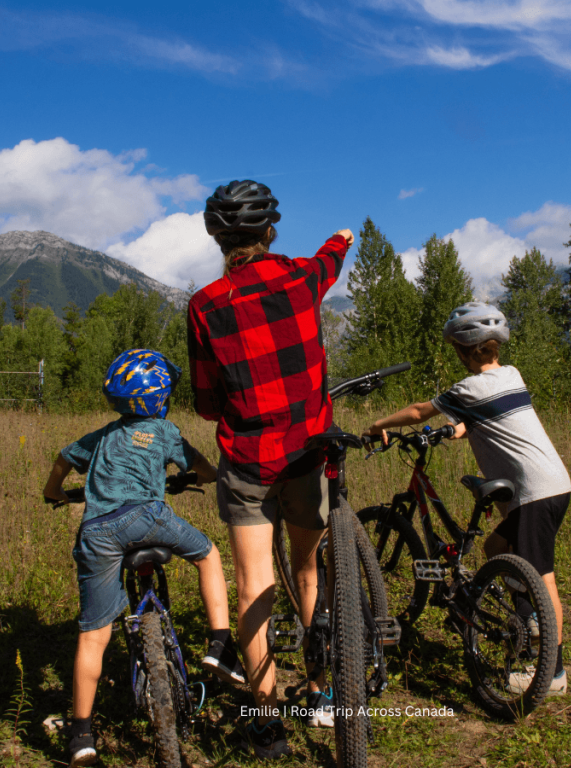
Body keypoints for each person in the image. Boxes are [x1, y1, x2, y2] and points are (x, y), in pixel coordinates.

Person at [187, 179, 353, 759]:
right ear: (269, 232)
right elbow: (332, 256)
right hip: (307, 453)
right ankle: (323, 690)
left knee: (255, 586)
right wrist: (341, 237)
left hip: (248, 461)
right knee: (308, 569)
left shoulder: (206, 305)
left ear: (218, 238)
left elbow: (207, 402)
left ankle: (265, 722)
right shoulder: (306, 277)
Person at [43, 348, 244, 767]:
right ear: (160, 397)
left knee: (93, 635)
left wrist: (55, 492)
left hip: (97, 531)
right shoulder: (163, 431)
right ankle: (220, 644)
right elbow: (205, 470)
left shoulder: (100, 436)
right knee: (208, 555)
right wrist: (187, 476)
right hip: (146, 517)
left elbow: (63, 459)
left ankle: (81, 737)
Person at [363, 301, 571, 697]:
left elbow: (419, 411)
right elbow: (490, 415)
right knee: (496, 547)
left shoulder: (468, 387)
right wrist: (456, 429)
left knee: (543, 581)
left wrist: (377, 425)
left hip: (534, 494)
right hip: (555, 486)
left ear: (463, 348)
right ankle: (526, 616)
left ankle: (551, 674)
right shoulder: (510, 375)